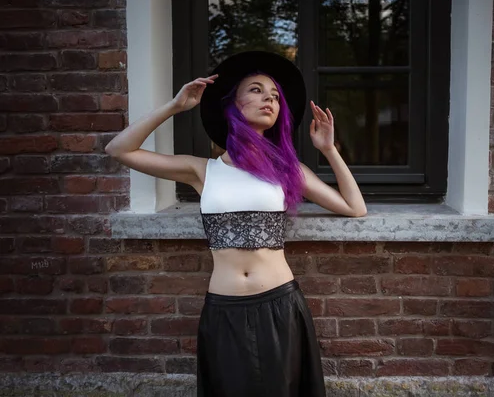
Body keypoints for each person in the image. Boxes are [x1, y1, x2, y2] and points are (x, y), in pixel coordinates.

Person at [105, 51, 367, 397]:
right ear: (233, 104)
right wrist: (172, 107)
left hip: (279, 305)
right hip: (224, 310)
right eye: (257, 90)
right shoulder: (202, 171)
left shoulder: (289, 170)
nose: (269, 99)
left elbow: (354, 207)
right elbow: (119, 149)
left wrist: (329, 150)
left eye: (274, 96)